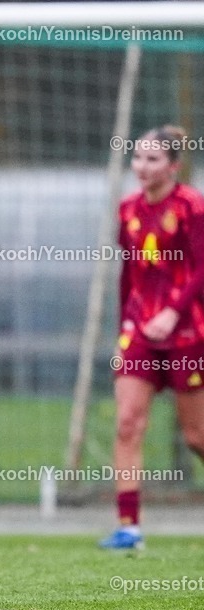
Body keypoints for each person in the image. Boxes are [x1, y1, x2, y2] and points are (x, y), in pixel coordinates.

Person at [101, 125, 204, 550]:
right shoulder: (126, 209)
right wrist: (125, 325)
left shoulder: (192, 207)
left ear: (174, 166)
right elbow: (129, 273)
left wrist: (172, 312)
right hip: (138, 332)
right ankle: (129, 526)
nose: (141, 167)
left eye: (152, 159)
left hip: (187, 332)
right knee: (127, 423)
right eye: (137, 157)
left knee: (196, 436)